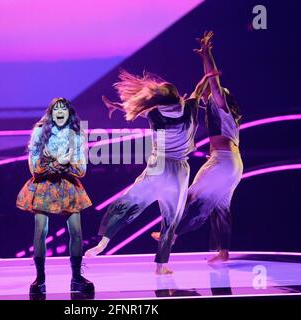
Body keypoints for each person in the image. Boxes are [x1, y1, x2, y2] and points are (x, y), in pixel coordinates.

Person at [85, 69, 219, 274]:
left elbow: (133, 109)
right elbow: (198, 91)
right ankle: (161, 265)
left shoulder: (154, 112)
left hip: (158, 167)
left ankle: (103, 243)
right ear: (177, 97)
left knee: (128, 202)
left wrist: (115, 105)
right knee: (171, 218)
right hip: (178, 171)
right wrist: (207, 76)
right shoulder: (189, 108)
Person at [151, 31, 243, 264]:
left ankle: (170, 235)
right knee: (221, 207)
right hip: (234, 165)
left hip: (221, 161)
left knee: (190, 196)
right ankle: (223, 252)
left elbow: (213, 81)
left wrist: (207, 55)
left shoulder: (222, 106)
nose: (209, 97)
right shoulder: (226, 117)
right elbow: (201, 90)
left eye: (214, 95)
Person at [16, 97, 94, 296]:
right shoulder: (39, 133)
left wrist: (64, 162)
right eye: (56, 108)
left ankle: (76, 278)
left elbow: (82, 169)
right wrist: (52, 163)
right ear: (51, 113)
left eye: (64, 108)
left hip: (67, 185)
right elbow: (34, 167)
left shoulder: (75, 136)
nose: (60, 111)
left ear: (69, 113)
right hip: (45, 185)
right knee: (40, 230)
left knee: (76, 232)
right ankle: (40, 278)